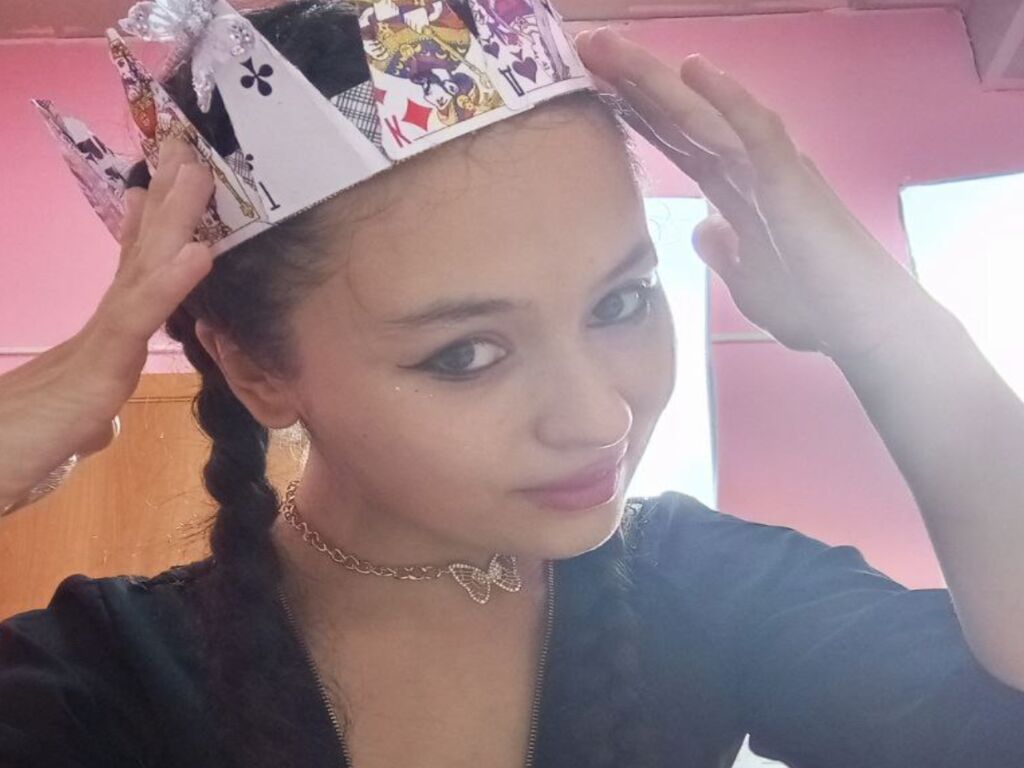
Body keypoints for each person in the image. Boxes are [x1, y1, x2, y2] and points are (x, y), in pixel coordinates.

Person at [1, 2, 1023, 767]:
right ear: (257, 370)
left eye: (621, 301)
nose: (599, 417)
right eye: (464, 355)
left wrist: (890, 327)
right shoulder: (103, 680)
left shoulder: (705, 586)